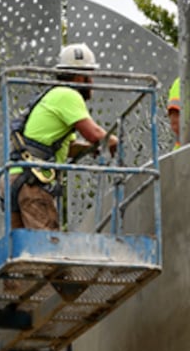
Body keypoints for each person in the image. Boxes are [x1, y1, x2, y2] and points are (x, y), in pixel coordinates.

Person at [8, 43, 118, 231]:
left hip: (16, 177)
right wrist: (114, 142)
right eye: (89, 76)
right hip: (32, 181)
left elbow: (63, 146)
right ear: (79, 77)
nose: (92, 83)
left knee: (23, 252)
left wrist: (86, 149)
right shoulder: (68, 94)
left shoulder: (53, 96)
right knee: (45, 248)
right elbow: (95, 134)